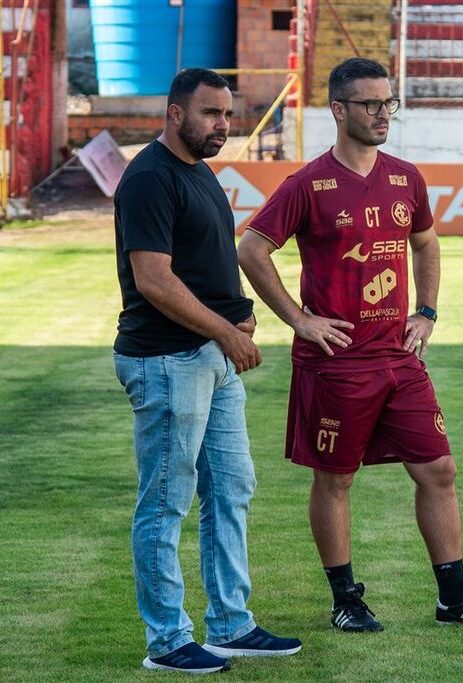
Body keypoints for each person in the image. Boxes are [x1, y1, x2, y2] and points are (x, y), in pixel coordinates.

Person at [237, 58, 463, 632]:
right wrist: (300, 320)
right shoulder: (307, 184)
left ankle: (452, 597)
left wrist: (427, 310)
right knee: (337, 479)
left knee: (439, 469)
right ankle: (346, 600)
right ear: (339, 110)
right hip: (336, 364)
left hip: (399, 356)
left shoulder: (404, 177)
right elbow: (251, 249)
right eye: (370, 104)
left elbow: (425, 242)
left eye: (388, 102)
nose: (382, 113)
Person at [112, 67, 302, 674]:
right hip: (167, 360)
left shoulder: (199, 174)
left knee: (231, 488)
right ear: (174, 113)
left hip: (210, 357)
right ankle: (167, 640)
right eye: (211, 114)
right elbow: (154, 279)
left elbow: (203, 266)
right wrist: (223, 330)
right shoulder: (149, 178)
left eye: (228, 115)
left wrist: (235, 319)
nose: (224, 125)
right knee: (166, 502)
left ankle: (230, 624)